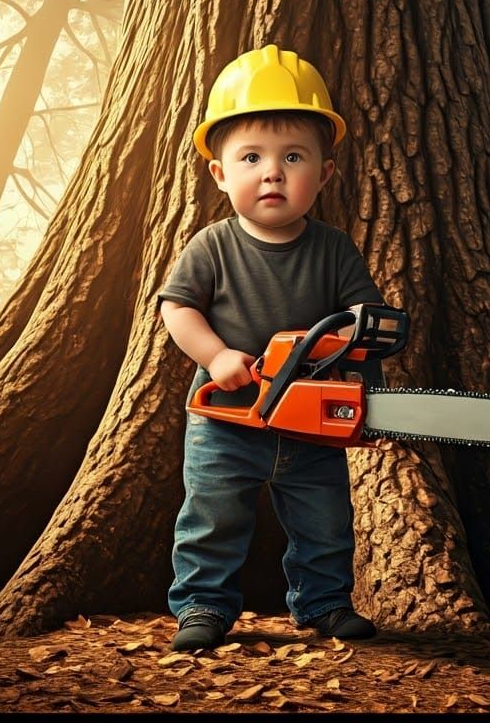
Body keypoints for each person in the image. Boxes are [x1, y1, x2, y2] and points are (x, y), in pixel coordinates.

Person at [158, 44, 384, 653]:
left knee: (325, 518)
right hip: (228, 416)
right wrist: (215, 356)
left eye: (293, 157)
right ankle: (202, 605)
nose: (273, 172)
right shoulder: (212, 245)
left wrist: (351, 346)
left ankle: (324, 602)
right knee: (212, 516)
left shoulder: (334, 249)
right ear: (220, 173)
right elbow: (177, 308)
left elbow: (363, 318)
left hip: (310, 418)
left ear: (325, 173)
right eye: (252, 157)